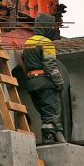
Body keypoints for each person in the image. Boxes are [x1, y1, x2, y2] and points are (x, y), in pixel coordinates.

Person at [22, 12, 66, 144]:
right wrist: (59, 82)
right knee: (51, 111)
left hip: (32, 83)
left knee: (45, 113)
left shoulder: (27, 43)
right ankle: (48, 138)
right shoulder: (47, 43)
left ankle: (57, 136)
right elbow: (50, 65)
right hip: (45, 83)